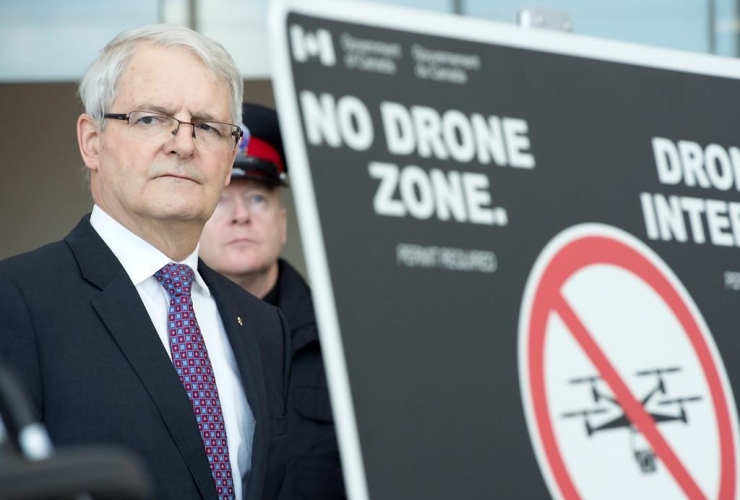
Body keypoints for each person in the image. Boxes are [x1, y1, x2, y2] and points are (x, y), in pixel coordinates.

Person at [0, 26, 289, 500]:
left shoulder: (263, 326)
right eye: (152, 119)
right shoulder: (17, 298)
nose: (183, 144)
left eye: (209, 127)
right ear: (92, 141)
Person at [200, 103, 345, 500]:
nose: (241, 216)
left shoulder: (345, 339)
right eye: (222, 200)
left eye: (259, 199)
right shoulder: (168, 334)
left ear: (282, 224)